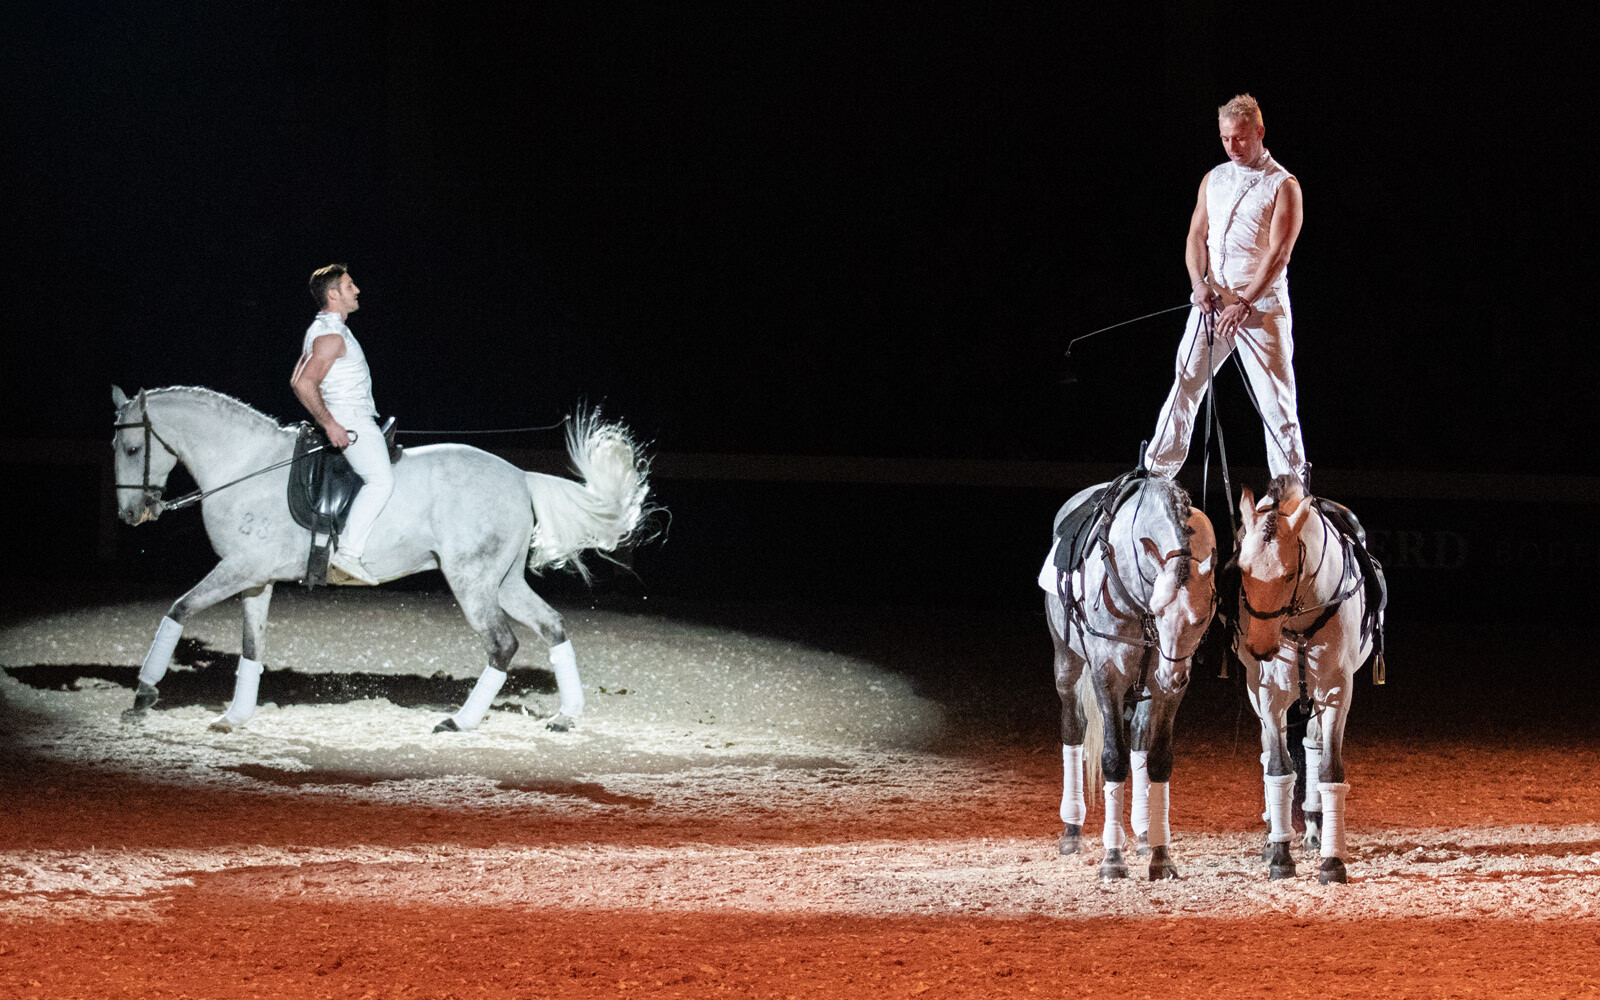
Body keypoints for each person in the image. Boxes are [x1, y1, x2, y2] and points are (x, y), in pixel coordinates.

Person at [1145, 94, 1307, 484]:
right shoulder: (1213, 178)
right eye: (1225, 138)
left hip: (1261, 308)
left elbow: (1280, 253)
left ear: (1260, 132)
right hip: (1214, 303)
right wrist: (1198, 283)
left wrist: (1245, 301)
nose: (1232, 146)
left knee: (1276, 402)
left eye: (1240, 138)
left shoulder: (1283, 185)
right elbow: (1195, 236)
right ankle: (1154, 475)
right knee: (1185, 381)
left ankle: (1291, 488)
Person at [290, 264, 392, 584]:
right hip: (351, 418)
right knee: (381, 482)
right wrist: (331, 424)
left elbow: (296, 378)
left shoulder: (324, 329)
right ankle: (349, 553)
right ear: (333, 294)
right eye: (350, 286)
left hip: (351, 414)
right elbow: (303, 384)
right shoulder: (332, 336)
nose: (357, 290)